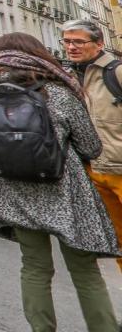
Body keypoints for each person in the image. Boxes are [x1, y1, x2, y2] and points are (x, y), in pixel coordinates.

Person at [0, 32, 120, 332]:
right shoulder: (59, 90)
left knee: (35, 267)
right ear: (39, 54)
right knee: (85, 270)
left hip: (12, 189)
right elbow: (91, 146)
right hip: (64, 191)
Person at [62, 19, 122, 272]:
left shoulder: (116, 72)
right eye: (67, 41)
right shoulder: (69, 77)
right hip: (94, 171)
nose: (71, 47)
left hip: (119, 167)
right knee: (118, 241)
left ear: (98, 44)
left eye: (78, 41)